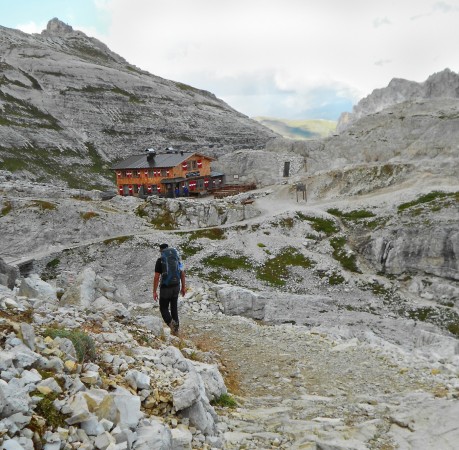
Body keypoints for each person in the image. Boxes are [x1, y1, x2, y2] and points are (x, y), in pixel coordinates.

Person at [153, 243, 186, 335]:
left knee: (163, 308)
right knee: (174, 308)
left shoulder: (160, 261)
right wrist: (183, 287)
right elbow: (182, 273)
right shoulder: (177, 259)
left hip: (165, 288)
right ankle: (176, 331)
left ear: (161, 251)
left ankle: (171, 324)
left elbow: (156, 277)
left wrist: (154, 291)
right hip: (176, 286)